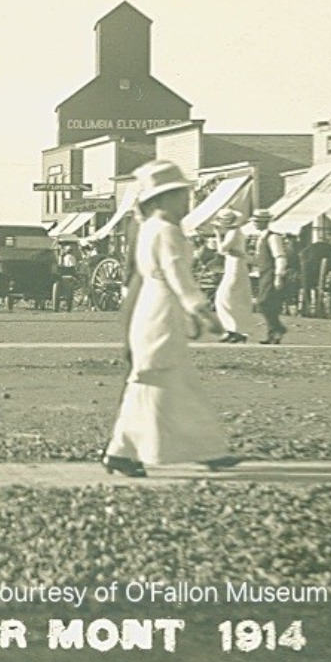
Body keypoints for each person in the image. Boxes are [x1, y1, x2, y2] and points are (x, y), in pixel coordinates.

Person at [102, 161, 236, 478]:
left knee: (161, 382)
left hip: (153, 308)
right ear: (161, 200)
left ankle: (129, 450)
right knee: (161, 381)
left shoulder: (148, 229)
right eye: (179, 195)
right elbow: (178, 276)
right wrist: (202, 310)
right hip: (162, 311)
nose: (186, 201)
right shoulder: (167, 232)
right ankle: (200, 450)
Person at [211, 210, 253, 343]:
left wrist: (217, 235)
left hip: (235, 266)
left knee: (224, 297)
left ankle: (234, 329)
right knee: (231, 298)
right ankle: (233, 329)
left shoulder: (234, 232)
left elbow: (221, 249)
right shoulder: (234, 232)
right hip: (233, 264)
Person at [249, 209, 289, 344]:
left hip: (271, 273)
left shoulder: (273, 237)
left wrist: (279, 275)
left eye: (257, 221)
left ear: (264, 222)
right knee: (266, 303)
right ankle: (273, 332)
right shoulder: (261, 238)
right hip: (264, 272)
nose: (254, 224)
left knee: (264, 302)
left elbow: (280, 257)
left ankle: (277, 329)